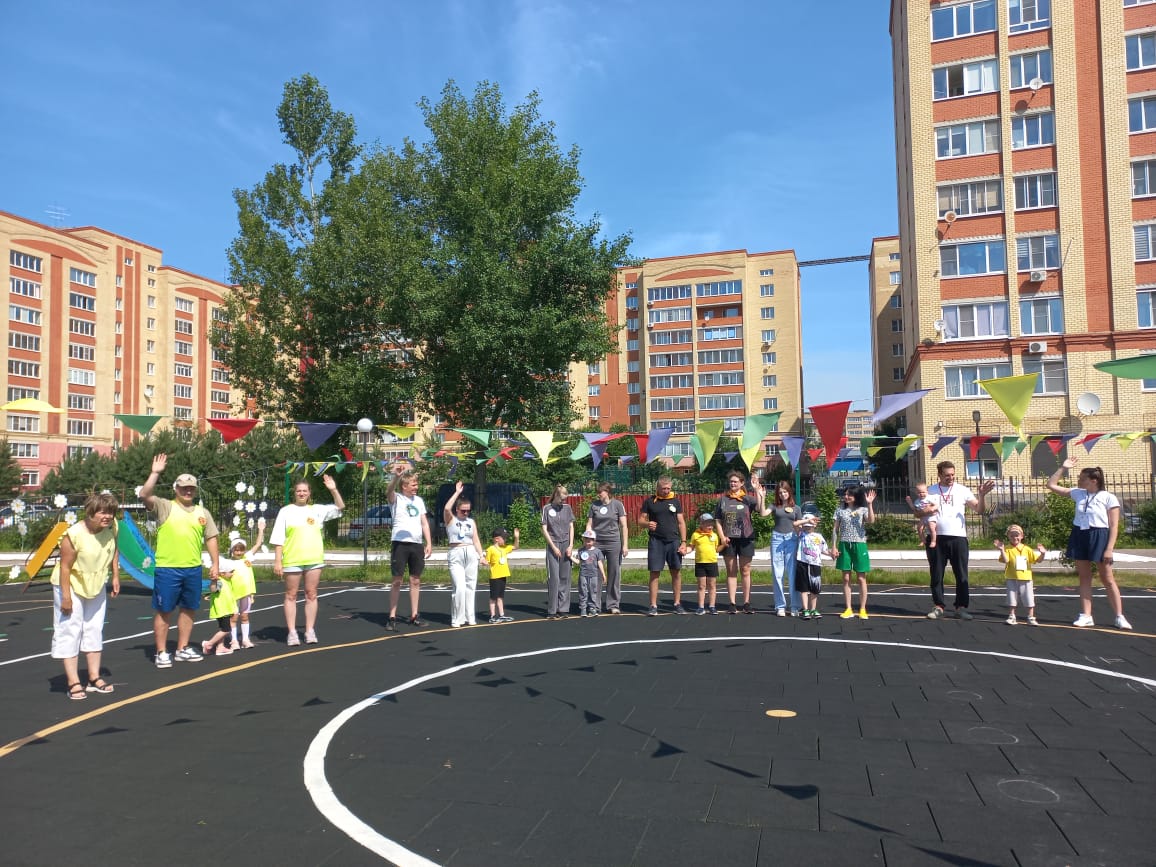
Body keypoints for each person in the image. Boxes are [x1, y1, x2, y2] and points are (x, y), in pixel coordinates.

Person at [141, 454, 220, 668]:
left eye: (191, 488)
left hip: (192, 569)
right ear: (176, 489)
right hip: (168, 569)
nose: (188, 491)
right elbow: (144, 494)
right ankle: (161, 652)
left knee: (188, 609)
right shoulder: (165, 506)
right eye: (184, 487)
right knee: (165, 610)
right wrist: (155, 473)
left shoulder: (202, 513)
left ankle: (182, 648)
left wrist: (215, 564)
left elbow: (211, 538)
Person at [1047, 458, 1132, 630]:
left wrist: (1109, 549)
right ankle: (1086, 615)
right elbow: (1051, 485)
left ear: (1094, 480)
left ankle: (1119, 616)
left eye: (1082, 478)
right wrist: (1063, 467)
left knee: (1107, 578)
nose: (1079, 480)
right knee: (1084, 577)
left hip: (1099, 536)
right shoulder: (1078, 493)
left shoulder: (1108, 498)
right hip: (1080, 534)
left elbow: (1114, 526)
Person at [50, 492, 120, 700]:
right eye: (102, 512)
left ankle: (94, 678)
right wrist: (66, 597)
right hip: (71, 583)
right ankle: (73, 682)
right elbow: (65, 567)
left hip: (96, 583)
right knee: (70, 629)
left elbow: (114, 549)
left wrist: (115, 575)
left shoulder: (111, 528)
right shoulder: (74, 534)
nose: (107, 516)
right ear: (90, 512)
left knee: (94, 628)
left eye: (110, 512)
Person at [915, 460, 994, 620]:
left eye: (952, 475)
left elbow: (979, 510)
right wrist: (927, 510)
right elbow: (917, 513)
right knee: (936, 574)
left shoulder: (962, 490)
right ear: (939, 475)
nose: (950, 478)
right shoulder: (930, 491)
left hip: (958, 538)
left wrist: (982, 496)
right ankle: (938, 606)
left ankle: (961, 607)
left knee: (962, 575)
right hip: (936, 539)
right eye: (947, 475)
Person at [270, 475, 344, 645]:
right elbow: (278, 538)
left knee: (311, 594)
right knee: (291, 595)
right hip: (292, 559)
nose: (302, 493)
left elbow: (340, 507)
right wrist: (278, 561)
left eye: (305, 491)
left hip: (314, 559)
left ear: (309, 493)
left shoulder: (316, 510)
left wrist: (333, 489)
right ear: (294, 493)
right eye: (299, 491)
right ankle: (292, 632)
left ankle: (309, 631)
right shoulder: (286, 511)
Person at [386, 465, 432, 630]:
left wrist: (429, 543)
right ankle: (392, 617)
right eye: (413, 484)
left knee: (415, 580)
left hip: (416, 544)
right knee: (397, 580)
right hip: (400, 543)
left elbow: (424, 523)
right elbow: (389, 491)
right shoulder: (397, 498)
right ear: (404, 486)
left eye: (416, 484)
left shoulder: (418, 501)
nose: (416, 487)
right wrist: (396, 477)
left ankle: (414, 615)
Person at [640, 475, 688, 616]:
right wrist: (647, 524)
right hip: (656, 542)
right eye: (663, 489)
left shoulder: (675, 501)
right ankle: (653, 605)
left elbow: (681, 522)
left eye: (668, 488)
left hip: (673, 541)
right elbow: (640, 521)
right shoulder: (650, 501)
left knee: (676, 572)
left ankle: (677, 603)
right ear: (657, 488)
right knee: (654, 573)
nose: (666, 491)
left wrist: (684, 542)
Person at [757, 478, 805, 616]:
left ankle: (795, 606)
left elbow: (799, 526)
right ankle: (780, 606)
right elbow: (763, 513)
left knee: (792, 573)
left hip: (792, 539)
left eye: (785, 492)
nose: (783, 494)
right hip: (777, 539)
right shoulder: (774, 506)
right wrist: (762, 497)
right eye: (780, 492)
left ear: (789, 492)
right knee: (778, 574)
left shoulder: (797, 508)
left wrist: (803, 538)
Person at [716, 470, 759, 614]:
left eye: (735, 481)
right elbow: (718, 520)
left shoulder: (748, 499)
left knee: (745, 570)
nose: (732, 483)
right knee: (731, 571)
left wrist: (757, 491)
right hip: (728, 540)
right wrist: (722, 537)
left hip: (746, 538)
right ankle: (732, 603)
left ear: (741, 483)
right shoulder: (723, 500)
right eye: (731, 481)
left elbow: (760, 509)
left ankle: (746, 603)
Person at [444, 481, 485, 628]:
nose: (466, 513)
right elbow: (446, 508)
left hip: (470, 552)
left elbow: (476, 540)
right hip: (456, 552)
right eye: (463, 511)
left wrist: (481, 555)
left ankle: (470, 617)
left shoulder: (471, 522)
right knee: (460, 587)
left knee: (470, 587)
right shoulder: (451, 519)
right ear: (457, 509)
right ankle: (457, 618)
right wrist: (457, 493)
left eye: (468, 510)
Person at [832, 485, 876, 620]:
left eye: (849, 494)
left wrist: (870, 504)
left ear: (856, 496)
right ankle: (848, 608)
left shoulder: (863, 509)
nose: (846, 497)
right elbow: (835, 529)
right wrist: (833, 546)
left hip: (859, 544)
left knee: (861, 578)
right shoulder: (840, 510)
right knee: (846, 578)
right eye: (845, 494)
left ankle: (862, 609)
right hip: (844, 544)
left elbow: (871, 521)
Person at [584, 482, 629, 614]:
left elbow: (624, 526)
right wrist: (588, 539)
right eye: (597, 492)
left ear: (607, 492)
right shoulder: (594, 505)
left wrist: (625, 545)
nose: (598, 494)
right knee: (596, 573)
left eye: (600, 492)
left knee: (614, 573)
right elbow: (589, 524)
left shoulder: (617, 505)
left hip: (613, 542)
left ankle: (613, 604)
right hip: (597, 543)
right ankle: (595, 605)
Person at [994, 524, 1046, 626]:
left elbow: (1037, 560)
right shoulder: (1007, 549)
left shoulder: (1027, 549)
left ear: (1022, 536)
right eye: (1012, 535)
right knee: (1012, 598)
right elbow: (1006, 560)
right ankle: (1012, 616)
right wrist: (1002, 550)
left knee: (1029, 597)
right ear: (1008, 536)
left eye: (1017, 535)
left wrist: (1043, 554)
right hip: (1012, 577)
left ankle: (1031, 617)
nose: (1015, 537)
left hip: (1026, 578)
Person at [225, 521, 264, 649]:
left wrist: (261, 530)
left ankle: (245, 639)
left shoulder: (247, 558)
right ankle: (234, 641)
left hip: (246, 593)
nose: (239, 552)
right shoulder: (228, 563)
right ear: (232, 550)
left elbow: (258, 544)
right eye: (236, 550)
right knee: (234, 618)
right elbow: (222, 575)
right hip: (234, 594)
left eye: (241, 550)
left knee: (245, 616)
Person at [541, 484, 575, 619]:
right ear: (556, 495)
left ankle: (563, 608)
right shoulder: (547, 508)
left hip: (566, 544)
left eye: (565, 499)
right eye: (562, 499)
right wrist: (553, 547)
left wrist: (571, 545)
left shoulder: (567, 508)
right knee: (554, 578)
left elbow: (571, 526)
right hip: (553, 544)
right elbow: (544, 529)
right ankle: (552, 610)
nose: (563, 502)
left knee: (565, 577)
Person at [795, 515, 832, 620]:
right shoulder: (801, 534)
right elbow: (795, 524)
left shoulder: (819, 536)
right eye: (806, 526)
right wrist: (807, 521)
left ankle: (813, 609)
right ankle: (805, 609)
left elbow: (824, 550)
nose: (807, 527)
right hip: (802, 563)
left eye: (810, 526)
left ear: (815, 525)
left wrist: (832, 554)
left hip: (815, 564)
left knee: (815, 589)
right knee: (804, 588)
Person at [689, 512, 724, 615]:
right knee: (701, 586)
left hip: (712, 563)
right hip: (700, 564)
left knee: (712, 585)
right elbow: (691, 547)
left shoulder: (715, 535)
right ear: (701, 524)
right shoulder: (695, 535)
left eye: (711, 523)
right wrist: (685, 550)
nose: (710, 526)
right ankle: (701, 607)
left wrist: (724, 544)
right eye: (707, 523)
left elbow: (717, 549)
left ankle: (712, 606)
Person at [201, 560, 238, 657]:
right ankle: (209, 644)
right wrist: (214, 581)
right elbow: (213, 589)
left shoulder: (227, 581)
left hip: (226, 609)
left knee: (223, 628)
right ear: (222, 573)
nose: (233, 573)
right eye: (231, 572)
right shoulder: (219, 581)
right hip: (222, 610)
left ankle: (220, 647)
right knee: (226, 630)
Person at [483, 527, 519, 623]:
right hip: (495, 577)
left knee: (500, 596)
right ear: (497, 539)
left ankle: (501, 615)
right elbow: (486, 561)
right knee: (493, 597)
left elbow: (515, 547)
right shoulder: (490, 549)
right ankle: (493, 615)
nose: (505, 540)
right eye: (504, 538)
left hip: (503, 575)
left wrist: (516, 538)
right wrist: (484, 561)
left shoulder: (505, 548)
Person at [573, 529, 607, 617]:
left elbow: (600, 563)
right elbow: (578, 562)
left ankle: (592, 608)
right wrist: (570, 557)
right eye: (586, 539)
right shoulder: (581, 550)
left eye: (590, 540)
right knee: (583, 591)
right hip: (583, 574)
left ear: (594, 541)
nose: (588, 541)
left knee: (593, 592)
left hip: (594, 575)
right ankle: (583, 609)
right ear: (583, 540)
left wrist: (603, 574)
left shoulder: (597, 551)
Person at [906, 482, 939, 549]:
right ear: (916, 493)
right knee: (919, 528)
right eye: (919, 492)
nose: (921, 494)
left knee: (931, 528)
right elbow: (914, 509)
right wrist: (910, 502)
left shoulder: (929, 498)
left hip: (931, 517)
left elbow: (937, 505)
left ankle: (933, 541)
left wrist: (932, 509)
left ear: (927, 492)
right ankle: (923, 540)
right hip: (923, 518)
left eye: (923, 492)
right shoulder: (917, 501)